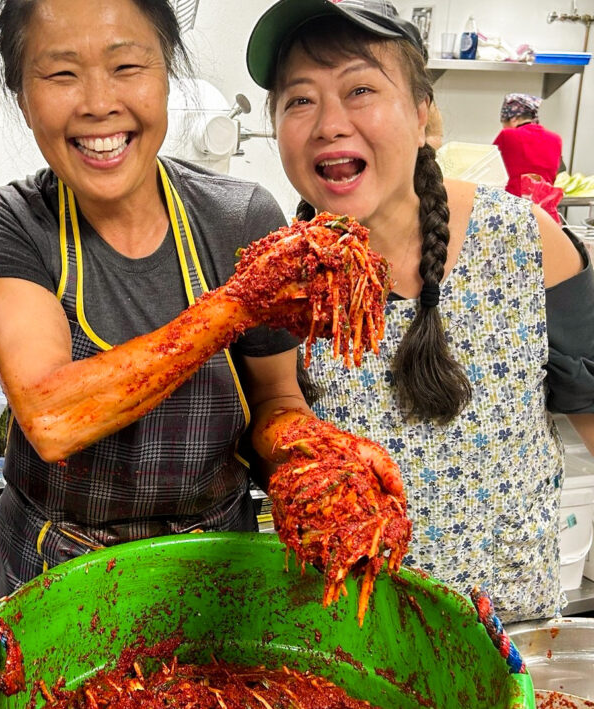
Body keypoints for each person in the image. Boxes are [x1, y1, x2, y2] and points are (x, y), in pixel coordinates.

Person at [0, 0, 403, 599]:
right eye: (61, 73)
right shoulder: (9, 223)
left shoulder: (239, 216)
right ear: (21, 94)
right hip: (60, 566)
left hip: (217, 562)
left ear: (167, 75)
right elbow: (53, 417)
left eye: (127, 67)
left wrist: (311, 458)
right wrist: (241, 302)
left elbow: (275, 399)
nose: (98, 102)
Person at [247, 0, 594, 622]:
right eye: (299, 100)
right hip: (352, 636)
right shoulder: (279, 280)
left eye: (360, 89)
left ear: (423, 116)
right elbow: (270, 425)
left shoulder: (524, 240)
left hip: (507, 634)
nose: (329, 123)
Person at [493, 93, 564, 198]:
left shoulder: (507, 135)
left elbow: (490, 170)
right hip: (543, 207)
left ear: (513, 119)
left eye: (504, 123)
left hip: (513, 206)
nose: (504, 127)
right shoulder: (556, 139)